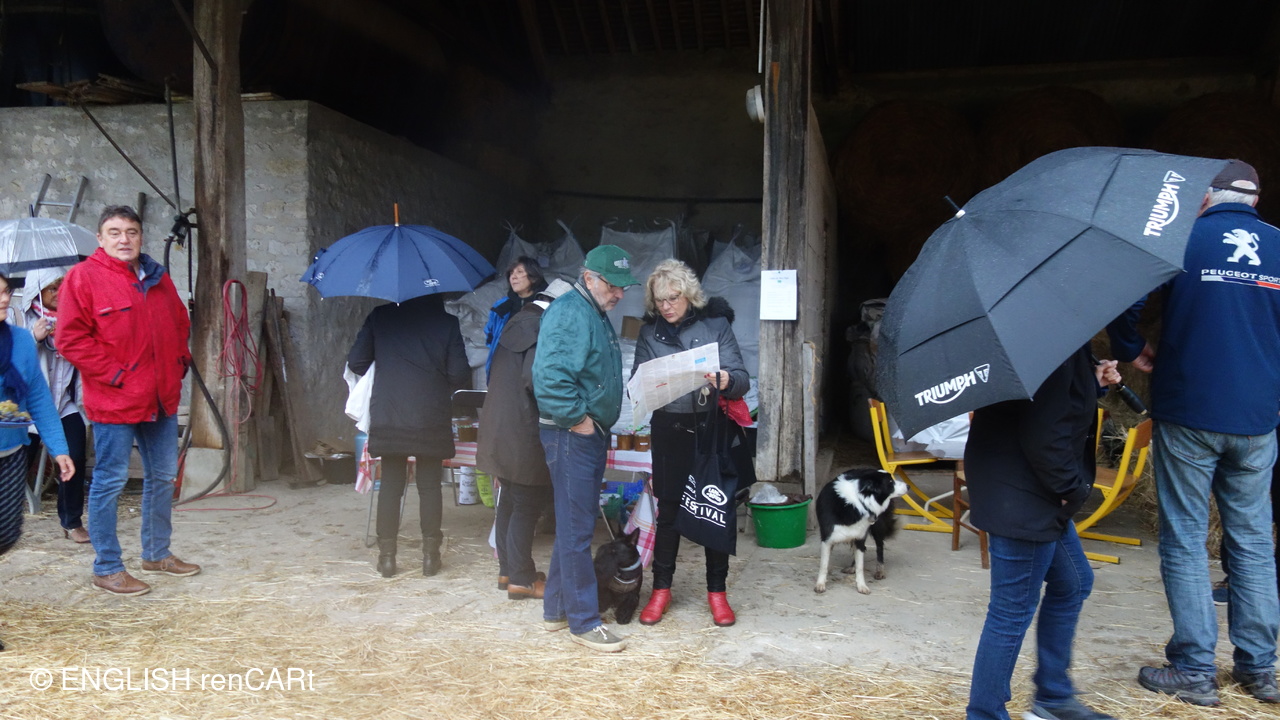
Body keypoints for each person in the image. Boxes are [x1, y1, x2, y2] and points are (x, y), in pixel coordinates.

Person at [1109, 160, 1280, 706]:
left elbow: (1127, 300)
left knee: (1184, 539)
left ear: (1205, 198)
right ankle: (1260, 669)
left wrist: (1132, 347)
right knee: (1254, 542)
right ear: (1255, 201)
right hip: (1256, 419)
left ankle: (1194, 669)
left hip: (1189, 411)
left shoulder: (1180, 238)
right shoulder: (1278, 244)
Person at [964, 344, 1121, 720]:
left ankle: (1053, 699)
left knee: (1073, 583)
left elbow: (1051, 401)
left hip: (1025, 487)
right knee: (1011, 610)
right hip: (1024, 493)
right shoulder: (1050, 347)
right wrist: (1073, 489)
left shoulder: (1047, 340)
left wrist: (1090, 381)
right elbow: (1045, 434)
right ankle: (984, 713)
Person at [58, 205, 196, 597]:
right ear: (100, 239)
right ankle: (107, 567)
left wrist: (179, 363)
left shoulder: (157, 276)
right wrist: (117, 375)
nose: (124, 240)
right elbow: (70, 339)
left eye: (131, 232)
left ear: (140, 237)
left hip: (161, 397)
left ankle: (157, 553)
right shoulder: (83, 278)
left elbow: (179, 324)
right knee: (111, 480)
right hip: (115, 400)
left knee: (163, 476)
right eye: (115, 232)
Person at [632, 259, 750, 627]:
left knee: (714, 509)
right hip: (669, 429)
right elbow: (639, 381)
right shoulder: (649, 333)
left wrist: (727, 380)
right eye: (660, 300)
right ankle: (661, 590)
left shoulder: (716, 325)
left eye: (673, 298)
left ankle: (717, 592)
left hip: (710, 428)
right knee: (668, 512)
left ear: (689, 295)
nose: (666, 306)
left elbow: (742, 377)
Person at [532, 245, 638, 653]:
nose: (619, 294)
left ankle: (557, 610)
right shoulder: (571, 313)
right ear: (589, 277)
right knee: (578, 532)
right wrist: (578, 420)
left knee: (572, 527)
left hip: (583, 433)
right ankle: (584, 622)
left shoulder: (591, 310)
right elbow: (550, 377)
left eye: (623, 287)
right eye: (613, 286)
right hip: (571, 434)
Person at [348, 293, 470, 578]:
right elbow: (459, 374)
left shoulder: (381, 317)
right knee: (430, 486)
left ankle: (387, 558)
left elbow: (356, 362)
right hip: (430, 414)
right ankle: (430, 557)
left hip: (390, 412)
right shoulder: (446, 323)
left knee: (391, 485)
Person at [477, 278, 572, 600]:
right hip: (524, 429)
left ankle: (507, 571)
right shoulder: (541, 329)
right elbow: (536, 380)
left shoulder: (517, 322)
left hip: (499, 424)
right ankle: (522, 578)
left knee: (510, 499)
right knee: (527, 503)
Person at [0, 271, 75, 649]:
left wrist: (59, 448)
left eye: (5, 292)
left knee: (6, 534)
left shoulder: (20, 341)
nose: (3, 299)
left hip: (11, 452)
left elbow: (40, 399)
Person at [15, 267, 89, 544]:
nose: (59, 293)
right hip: (26, 410)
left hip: (62, 404)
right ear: (37, 292)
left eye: (63, 286)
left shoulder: (75, 318)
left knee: (75, 457)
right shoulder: (20, 321)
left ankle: (71, 522)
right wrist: (34, 338)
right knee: (16, 467)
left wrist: (71, 339)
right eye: (52, 288)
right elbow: (12, 362)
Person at [484, 257, 547, 382]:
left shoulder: (547, 306)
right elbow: (491, 336)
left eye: (519, 272)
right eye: (511, 273)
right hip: (506, 365)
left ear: (534, 277)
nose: (513, 277)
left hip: (537, 366)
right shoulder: (501, 307)